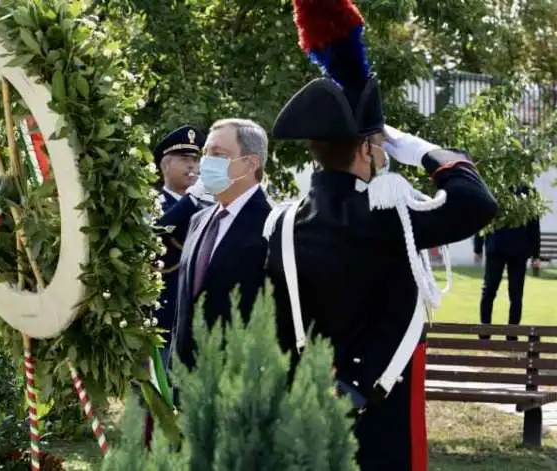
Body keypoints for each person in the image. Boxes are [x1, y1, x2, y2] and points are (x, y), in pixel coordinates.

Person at [263, 1, 497, 470]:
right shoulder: (389, 216)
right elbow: (477, 202)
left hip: (312, 404)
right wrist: (426, 151)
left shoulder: (285, 223)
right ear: (371, 148)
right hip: (382, 403)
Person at [168, 118, 272, 371]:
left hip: (237, 385)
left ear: (250, 163)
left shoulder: (273, 225)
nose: (205, 163)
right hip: (185, 383)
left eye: (217, 154)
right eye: (205, 153)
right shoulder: (198, 220)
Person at [152, 125, 207, 360]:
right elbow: (159, 229)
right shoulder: (151, 202)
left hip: (200, 319)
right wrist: (192, 198)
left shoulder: (205, 205)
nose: (192, 166)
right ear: (165, 165)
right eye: (184, 159)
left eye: (195, 159)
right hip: (166, 317)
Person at [474, 188, 541, 340]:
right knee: (515, 294)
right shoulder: (528, 191)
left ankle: (485, 331)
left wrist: (478, 247)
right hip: (517, 248)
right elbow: (535, 226)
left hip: (497, 246)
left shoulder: (495, 188)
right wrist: (535, 254)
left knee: (490, 290)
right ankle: (511, 334)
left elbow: (482, 216)